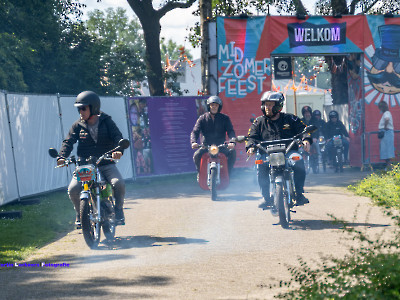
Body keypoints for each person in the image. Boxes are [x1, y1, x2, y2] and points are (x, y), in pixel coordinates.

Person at [57, 91, 127, 228]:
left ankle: (118, 210)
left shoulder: (107, 121)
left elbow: (118, 137)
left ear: (93, 107)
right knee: (73, 189)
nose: (80, 111)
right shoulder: (77, 125)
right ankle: (80, 214)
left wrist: (119, 150)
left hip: (106, 163)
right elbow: (68, 142)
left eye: (83, 108)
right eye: (79, 108)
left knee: (119, 183)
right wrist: (62, 156)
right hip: (85, 165)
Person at [246, 91, 312, 209]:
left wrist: (306, 140)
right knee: (260, 165)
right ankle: (266, 197)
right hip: (267, 154)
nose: (267, 108)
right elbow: (251, 136)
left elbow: (304, 130)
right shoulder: (259, 122)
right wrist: (251, 147)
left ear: (278, 105)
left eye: (271, 104)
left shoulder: (290, 118)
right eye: (266, 104)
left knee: (299, 160)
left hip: (289, 152)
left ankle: (299, 193)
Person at [190, 96, 237, 178]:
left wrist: (232, 141)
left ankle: (228, 173)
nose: (214, 107)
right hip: (206, 146)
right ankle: (200, 174)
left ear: (219, 107)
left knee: (232, 152)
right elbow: (195, 131)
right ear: (208, 106)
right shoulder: (202, 118)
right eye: (212, 105)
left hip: (221, 146)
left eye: (216, 105)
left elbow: (230, 131)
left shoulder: (225, 118)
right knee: (196, 155)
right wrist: (193, 142)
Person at [378, 101, 395, 169]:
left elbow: (387, 119)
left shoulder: (386, 113)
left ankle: (389, 165)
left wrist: (384, 127)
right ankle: (388, 165)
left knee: (386, 149)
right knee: (385, 149)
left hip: (386, 132)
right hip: (387, 132)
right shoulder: (386, 113)